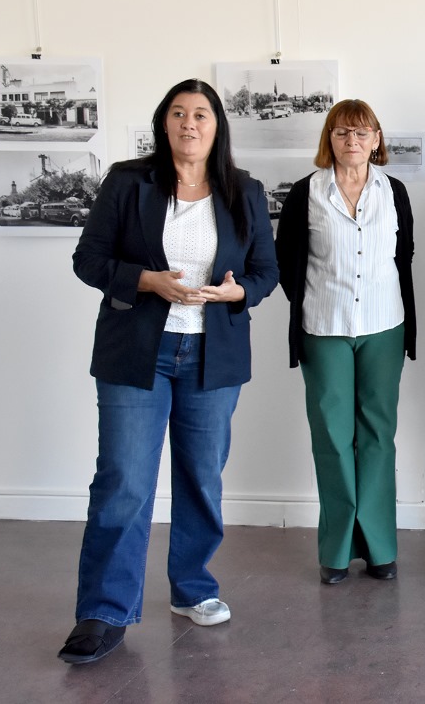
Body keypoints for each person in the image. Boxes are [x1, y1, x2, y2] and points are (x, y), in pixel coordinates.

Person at [60, 79, 278, 665]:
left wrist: (238, 294)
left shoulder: (245, 191)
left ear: (216, 126)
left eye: (201, 114)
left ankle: (192, 587)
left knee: (201, 478)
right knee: (125, 482)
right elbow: (89, 259)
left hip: (213, 353)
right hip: (139, 350)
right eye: (178, 113)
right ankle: (103, 611)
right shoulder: (129, 182)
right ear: (164, 123)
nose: (189, 123)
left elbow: (265, 271)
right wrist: (146, 281)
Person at [275, 100, 416, 585]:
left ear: (377, 139)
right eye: (341, 133)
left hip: (384, 326)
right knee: (333, 439)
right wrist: (320, 300)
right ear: (328, 140)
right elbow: (287, 263)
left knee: (378, 437)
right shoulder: (305, 194)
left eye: (361, 133)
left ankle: (379, 547)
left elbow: (405, 256)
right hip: (325, 328)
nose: (351, 142)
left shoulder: (394, 192)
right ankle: (335, 550)